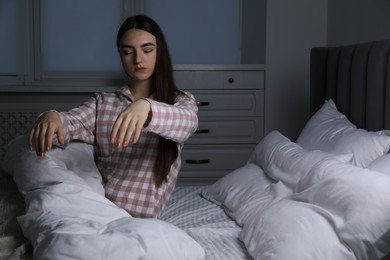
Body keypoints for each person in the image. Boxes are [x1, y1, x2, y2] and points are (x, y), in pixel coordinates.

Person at [28, 15, 199, 218]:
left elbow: (188, 122)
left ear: (159, 52)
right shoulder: (103, 102)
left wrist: (146, 108)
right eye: (128, 52)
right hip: (97, 209)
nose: (138, 59)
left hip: (141, 219)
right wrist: (50, 115)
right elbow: (70, 122)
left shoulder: (180, 101)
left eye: (147, 50)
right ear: (120, 55)